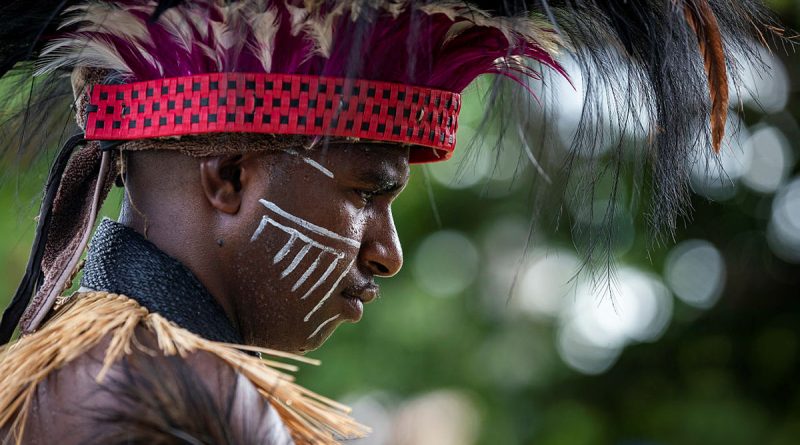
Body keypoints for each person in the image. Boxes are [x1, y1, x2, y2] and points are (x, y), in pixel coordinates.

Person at [0, 0, 782, 443]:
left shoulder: (87, 373)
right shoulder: (185, 400)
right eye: (368, 192)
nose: (388, 252)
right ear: (230, 176)